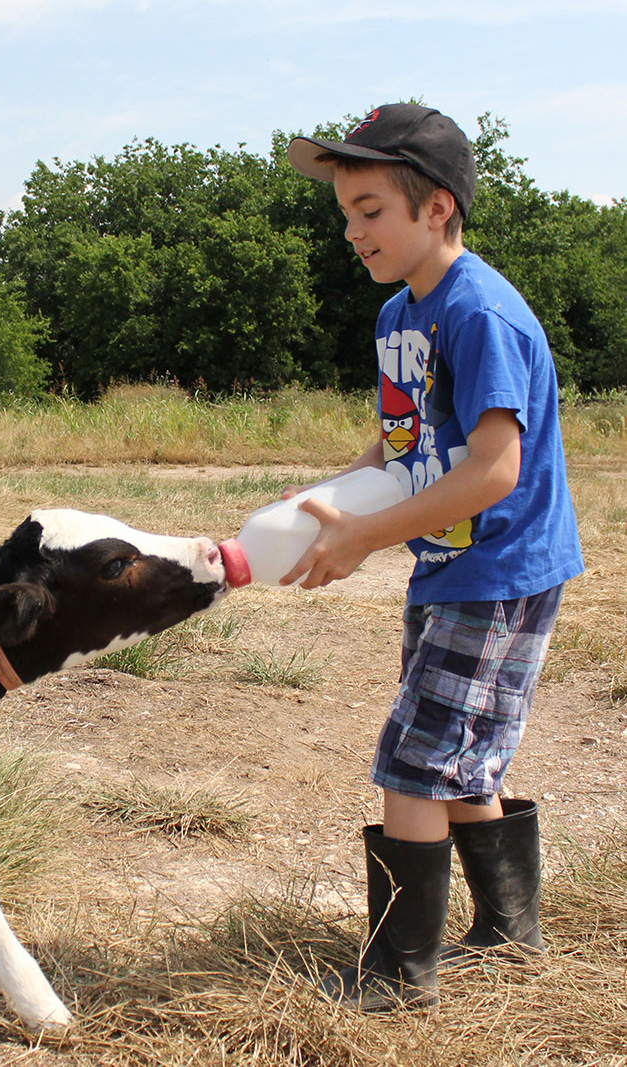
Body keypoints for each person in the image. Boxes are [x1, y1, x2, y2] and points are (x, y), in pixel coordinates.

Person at [284, 103, 584, 1011]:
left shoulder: (479, 311)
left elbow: (496, 469)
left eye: (371, 209)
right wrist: (328, 506)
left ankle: (397, 973)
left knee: (413, 759)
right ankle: (506, 930)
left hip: (498, 571)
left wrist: (367, 538)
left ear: (437, 207)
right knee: (458, 756)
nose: (352, 231)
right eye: (345, 212)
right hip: (448, 566)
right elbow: (397, 441)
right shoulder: (396, 315)